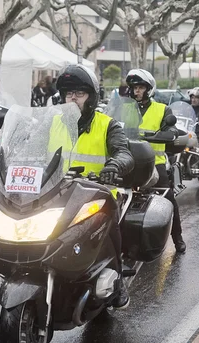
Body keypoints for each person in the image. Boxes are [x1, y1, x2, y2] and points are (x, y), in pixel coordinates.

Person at [56, 64, 135, 309]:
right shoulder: (53, 122)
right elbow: (33, 152)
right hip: (57, 193)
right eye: (69, 93)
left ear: (91, 97)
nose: (73, 98)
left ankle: (117, 280)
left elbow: (124, 153)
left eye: (79, 93)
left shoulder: (107, 125)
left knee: (110, 231)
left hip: (97, 195)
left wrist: (114, 166)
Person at [126, 69, 186, 253]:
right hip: (128, 160)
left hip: (154, 162)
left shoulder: (161, 109)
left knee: (168, 198)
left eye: (141, 87)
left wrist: (154, 135)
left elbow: (172, 131)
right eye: (134, 87)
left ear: (149, 89)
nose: (137, 91)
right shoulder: (125, 108)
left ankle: (178, 238)